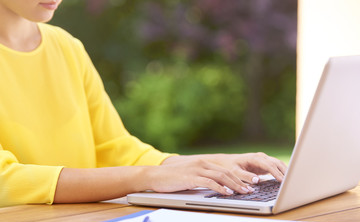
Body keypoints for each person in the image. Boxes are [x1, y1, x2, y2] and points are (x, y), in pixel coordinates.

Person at [0, 0, 287, 207]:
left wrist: (210, 165)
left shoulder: (67, 47)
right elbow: (5, 180)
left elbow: (115, 149)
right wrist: (146, 177)